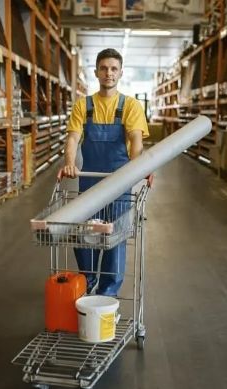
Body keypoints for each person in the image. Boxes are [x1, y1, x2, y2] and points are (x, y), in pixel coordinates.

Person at [62, 48, 149, 296]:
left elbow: (136, 140)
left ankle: (107, 294)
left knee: (114, 238)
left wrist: (138, 167)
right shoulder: (83, 105)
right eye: (103, 68)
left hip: (120, 182)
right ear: (96, 72)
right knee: (85, 235)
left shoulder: (130, 105)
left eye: (113, 69)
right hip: (90, 182)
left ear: (120, 73)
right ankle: (87, 282)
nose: (108, 73)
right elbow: (73, 138)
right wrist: (69, 163)